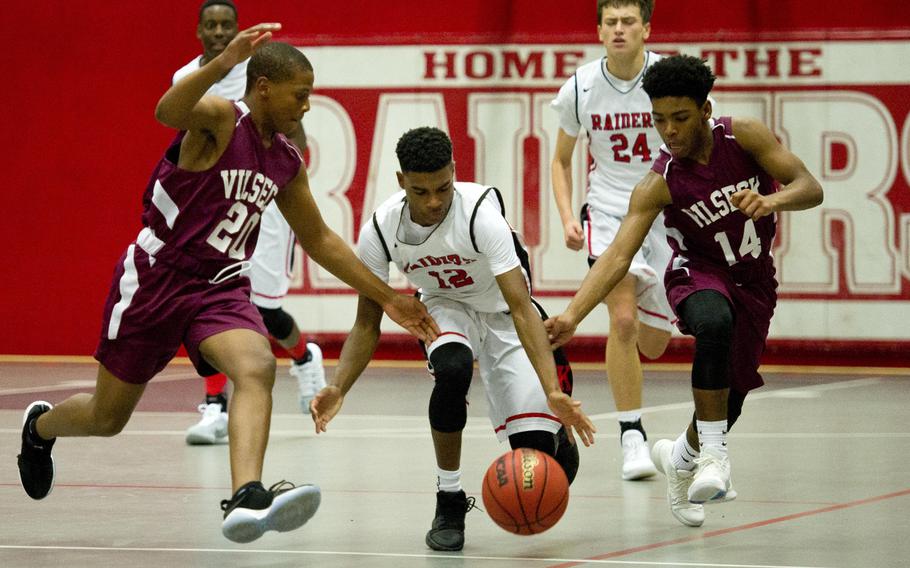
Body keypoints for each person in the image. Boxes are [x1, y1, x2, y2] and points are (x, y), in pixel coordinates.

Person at [16, 24, 438, 544]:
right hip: (159, 277)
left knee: (257, 366)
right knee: (107, 418)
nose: (307, 106)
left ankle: (247, 495)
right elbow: (166, 112)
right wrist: (220, 64)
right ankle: (40, 429)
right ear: (263, 87)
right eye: (300, 95)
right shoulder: (220, 119)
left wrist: (388, 296)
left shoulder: (286, 160)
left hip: (220, 285)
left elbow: (321, 240)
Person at [547, 54, 823, 528]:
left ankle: (681, 459)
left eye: (679, 118)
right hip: (695, 273)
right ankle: (715, 456)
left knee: (729, 398)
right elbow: (615, 257)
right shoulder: (660, 182)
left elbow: (810, 187)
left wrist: (770, 199)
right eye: (658, 120)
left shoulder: (745, 136)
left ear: (705, 110)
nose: (668, 131)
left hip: (754, 282)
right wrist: (572, 315)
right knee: (714, 321)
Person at [310, 127, 596, 551]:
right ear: (400, 181)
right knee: (452, 369)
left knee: (548, 467)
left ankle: (553, 434)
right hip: (445, 306)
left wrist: (552, 391)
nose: (433, 202)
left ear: (455, 173)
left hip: (502, 313)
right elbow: (366, 324)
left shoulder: (480, 213)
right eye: (420, 190)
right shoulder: (380, 229)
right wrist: (338, 385)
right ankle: (449, 498)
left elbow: (520, 307)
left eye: (442, 188)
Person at [174, 0, 326, 446]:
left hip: (263, 200)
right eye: (212, 25)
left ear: (238, 30)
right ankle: (216, 408)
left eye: (227, 25)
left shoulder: (257, 74)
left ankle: (303, 356)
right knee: (210, 300)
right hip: (212, 203)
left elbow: (291, 137)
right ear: (199, 31)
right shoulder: (187, 80)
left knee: (265, 311)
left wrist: (279, 176)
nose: (220, 32)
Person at [550, 0, 672, 481]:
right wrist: (566, 218)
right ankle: (632, 437)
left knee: (657, 343)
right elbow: (560, 161)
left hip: (664, 212)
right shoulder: (580, 87)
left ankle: (653, 310)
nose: (619, 30)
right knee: (621, 321)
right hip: (607, 212)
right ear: (599, 30)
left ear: (646, 28)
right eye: (611, 22)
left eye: (628, 22)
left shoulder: (669, 78)